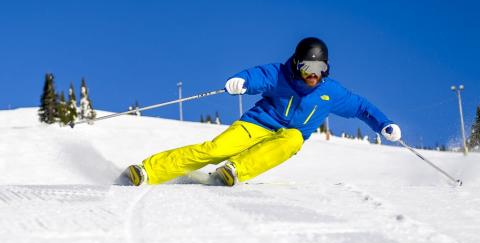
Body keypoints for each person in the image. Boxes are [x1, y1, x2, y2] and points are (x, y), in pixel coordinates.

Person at [126, 37, 401, 186]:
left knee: (293, 140)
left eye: (320, 70)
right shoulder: (280, 75)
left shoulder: (332, 93)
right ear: (296, 65)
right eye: (308, 69)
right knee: (214, 149)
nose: (313, 76)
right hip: (257, 124)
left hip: (287, 135)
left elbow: (362, 107)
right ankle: (149, 170)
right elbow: (258, 76)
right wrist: (242, 82)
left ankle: (234, 171)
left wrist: (383, 124)